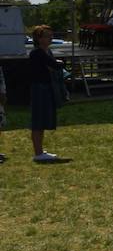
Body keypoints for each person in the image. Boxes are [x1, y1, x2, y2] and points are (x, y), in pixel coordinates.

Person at [27, 25, 64, 163]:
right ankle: (38, 153)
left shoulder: (47, 51)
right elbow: (55, 65)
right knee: (38, 121)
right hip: (39, 88)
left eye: (51, 35)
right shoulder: (37, 53)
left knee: (43, 121)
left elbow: (54, 65)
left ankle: (40, 151)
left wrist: (57, 63)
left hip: (46, 87)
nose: (51, 38)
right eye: (47, 36)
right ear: (39, 38)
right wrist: (58, 63)